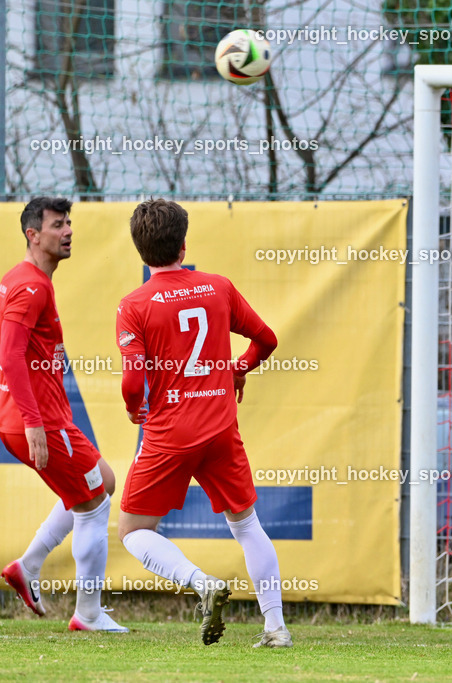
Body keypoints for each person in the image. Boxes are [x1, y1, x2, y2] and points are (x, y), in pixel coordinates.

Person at [115, 199, 289, 648]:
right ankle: (276, 628)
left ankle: (201, 582)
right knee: (248, 525)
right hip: (218, 426)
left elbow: (134, 381)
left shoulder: (133, 304)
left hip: (170, 433)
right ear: (184, 243)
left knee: (133, 531)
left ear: (140, 250)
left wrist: (135, 407)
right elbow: (265, 339)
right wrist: (238, 370)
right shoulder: (217, 288)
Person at [0, 197, 126, 632]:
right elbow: (11, 356)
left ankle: (28, 566)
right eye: (58, 224)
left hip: (43, 417)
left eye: (70, 222)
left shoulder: (22, 279)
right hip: (39, 420)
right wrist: (34, 422)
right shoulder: (31, 286)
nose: (68, 230)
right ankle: (88, 615)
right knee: (92, 506)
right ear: (33, 235)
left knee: (103, 481)